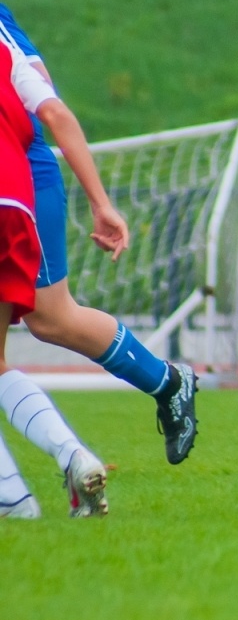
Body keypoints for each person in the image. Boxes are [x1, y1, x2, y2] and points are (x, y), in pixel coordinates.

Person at [0, 5, 198, 465]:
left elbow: (44, 99)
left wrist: (101, 202)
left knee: (52, 318)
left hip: (18, 175)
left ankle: (165, 384)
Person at [0, 35, 109, 518]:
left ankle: (13, 499)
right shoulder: (6, 45)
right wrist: (102, 204)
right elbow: (56, 113)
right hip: (15, 205)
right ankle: (73, 456)